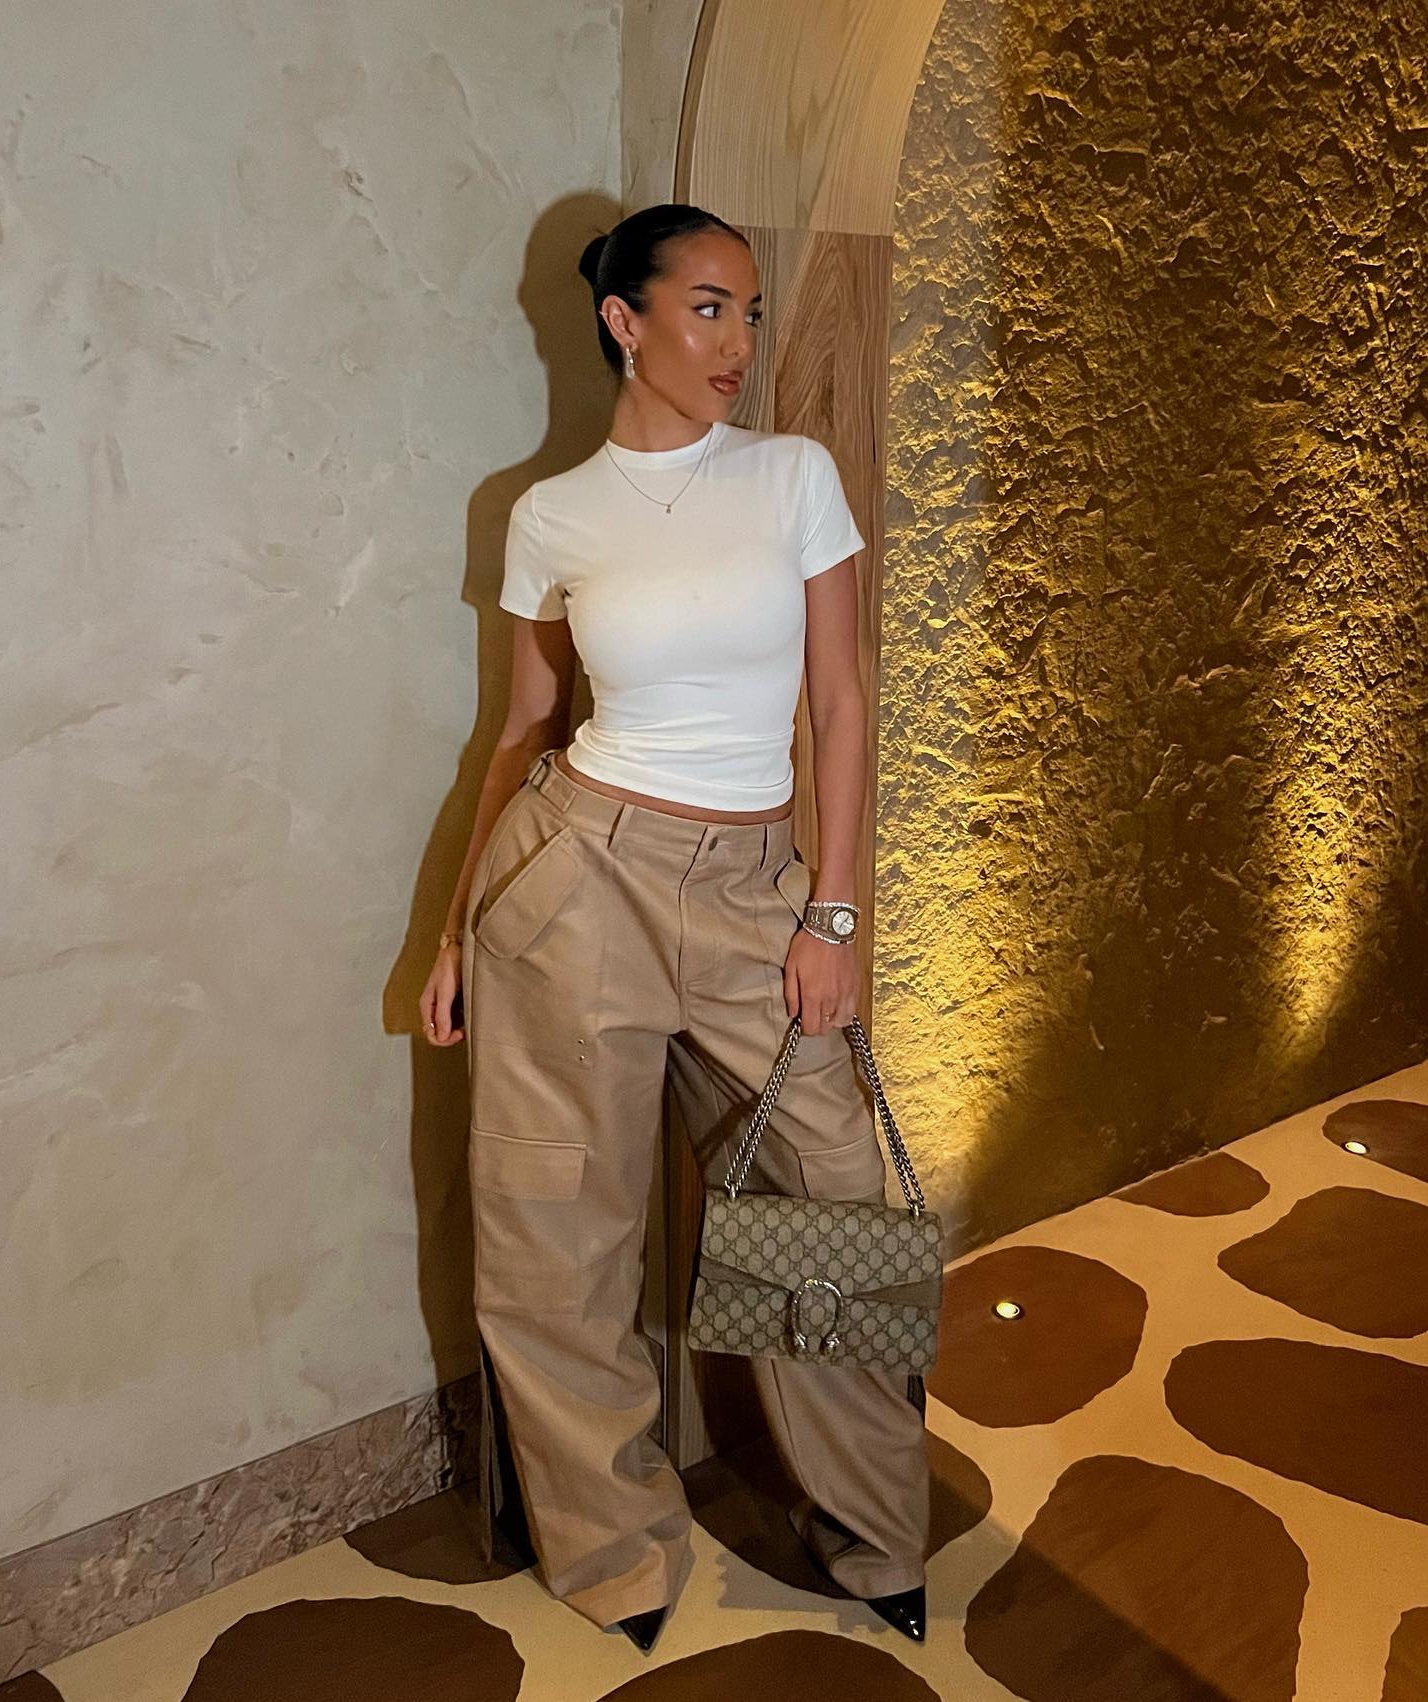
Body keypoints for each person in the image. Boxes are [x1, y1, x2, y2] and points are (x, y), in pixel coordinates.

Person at [419, 204, 929, 1656]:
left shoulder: (790, 474)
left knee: (832, 1200)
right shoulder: (548, 516)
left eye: (749, 312)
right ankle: (614, 1550)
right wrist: (455, 933)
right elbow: (521, 731)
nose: (738, 342)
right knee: (559, 1229)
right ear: (623, 321)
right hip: (578, 877)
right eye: (708, 307)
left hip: (760, 886)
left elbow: (841, 704)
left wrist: (837, 913)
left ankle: (874, 1530)